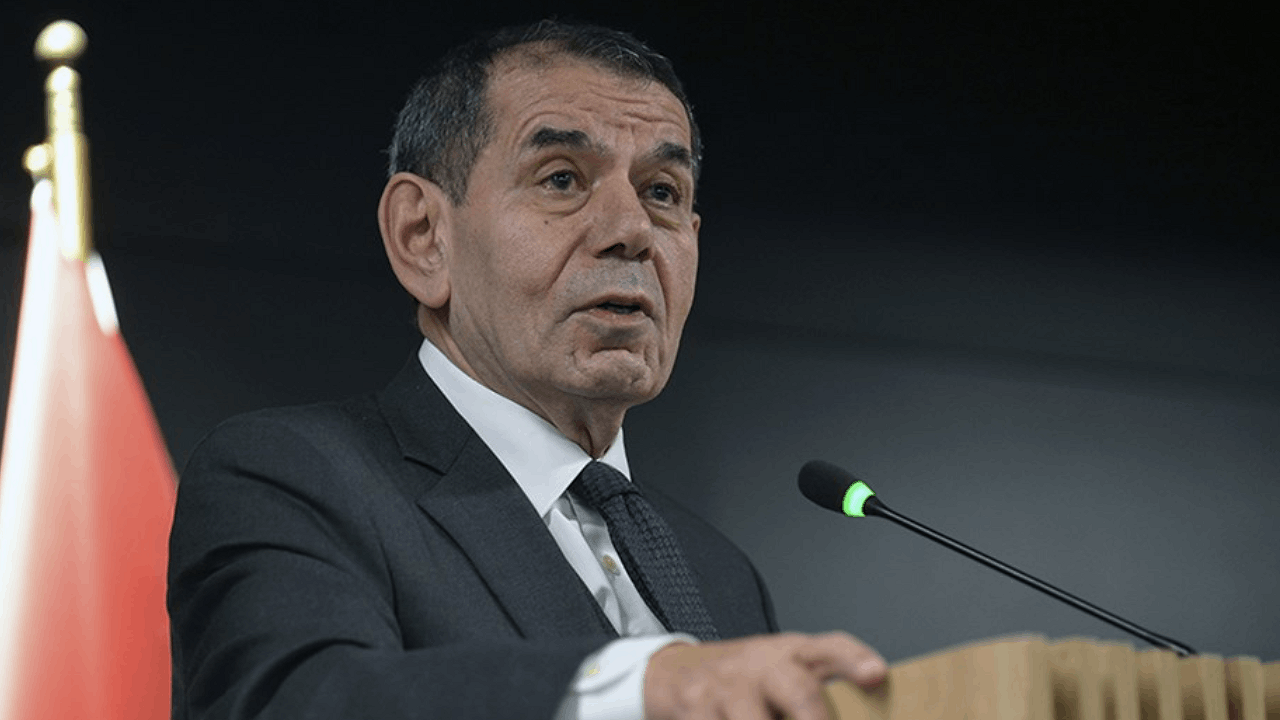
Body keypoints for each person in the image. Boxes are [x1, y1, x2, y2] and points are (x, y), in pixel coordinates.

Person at [168, 20, 887, 720]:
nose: (632, 230)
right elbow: (296, 701)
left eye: (663, 192)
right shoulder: (290, 477)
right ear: (424, 236)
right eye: (562, 179)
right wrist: (649, 684)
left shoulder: (720, 573)